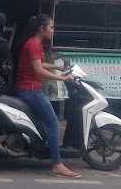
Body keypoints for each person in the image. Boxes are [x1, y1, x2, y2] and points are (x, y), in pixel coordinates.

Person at [15, 14, 80, 179]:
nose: (53, 30)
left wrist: (58, 66)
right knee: (53, 123)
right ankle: (57, 164)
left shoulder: (34, 43)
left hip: (28, 88)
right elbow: (38, 70)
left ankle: (46, 150)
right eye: (51, 27)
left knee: (45, 122)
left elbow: (39, 64)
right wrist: (62, 78)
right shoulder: (34, 44)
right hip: (31, 90)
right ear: (41, 28)